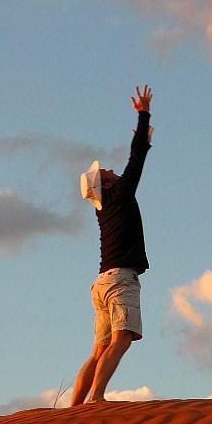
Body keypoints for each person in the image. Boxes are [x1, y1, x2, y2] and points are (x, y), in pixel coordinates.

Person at [71, 84, 153, 405]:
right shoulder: (118, 196)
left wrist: (144, 139)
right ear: (105, 184)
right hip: (119, 280)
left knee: (98, 350)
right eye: (104, 171)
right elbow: (135, 160)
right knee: (122, 338)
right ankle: (96, 398)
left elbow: (136, 157)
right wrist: (143, 116)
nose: (109, 169)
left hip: (101, 283)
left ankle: (73, 409)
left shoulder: (103, 207)